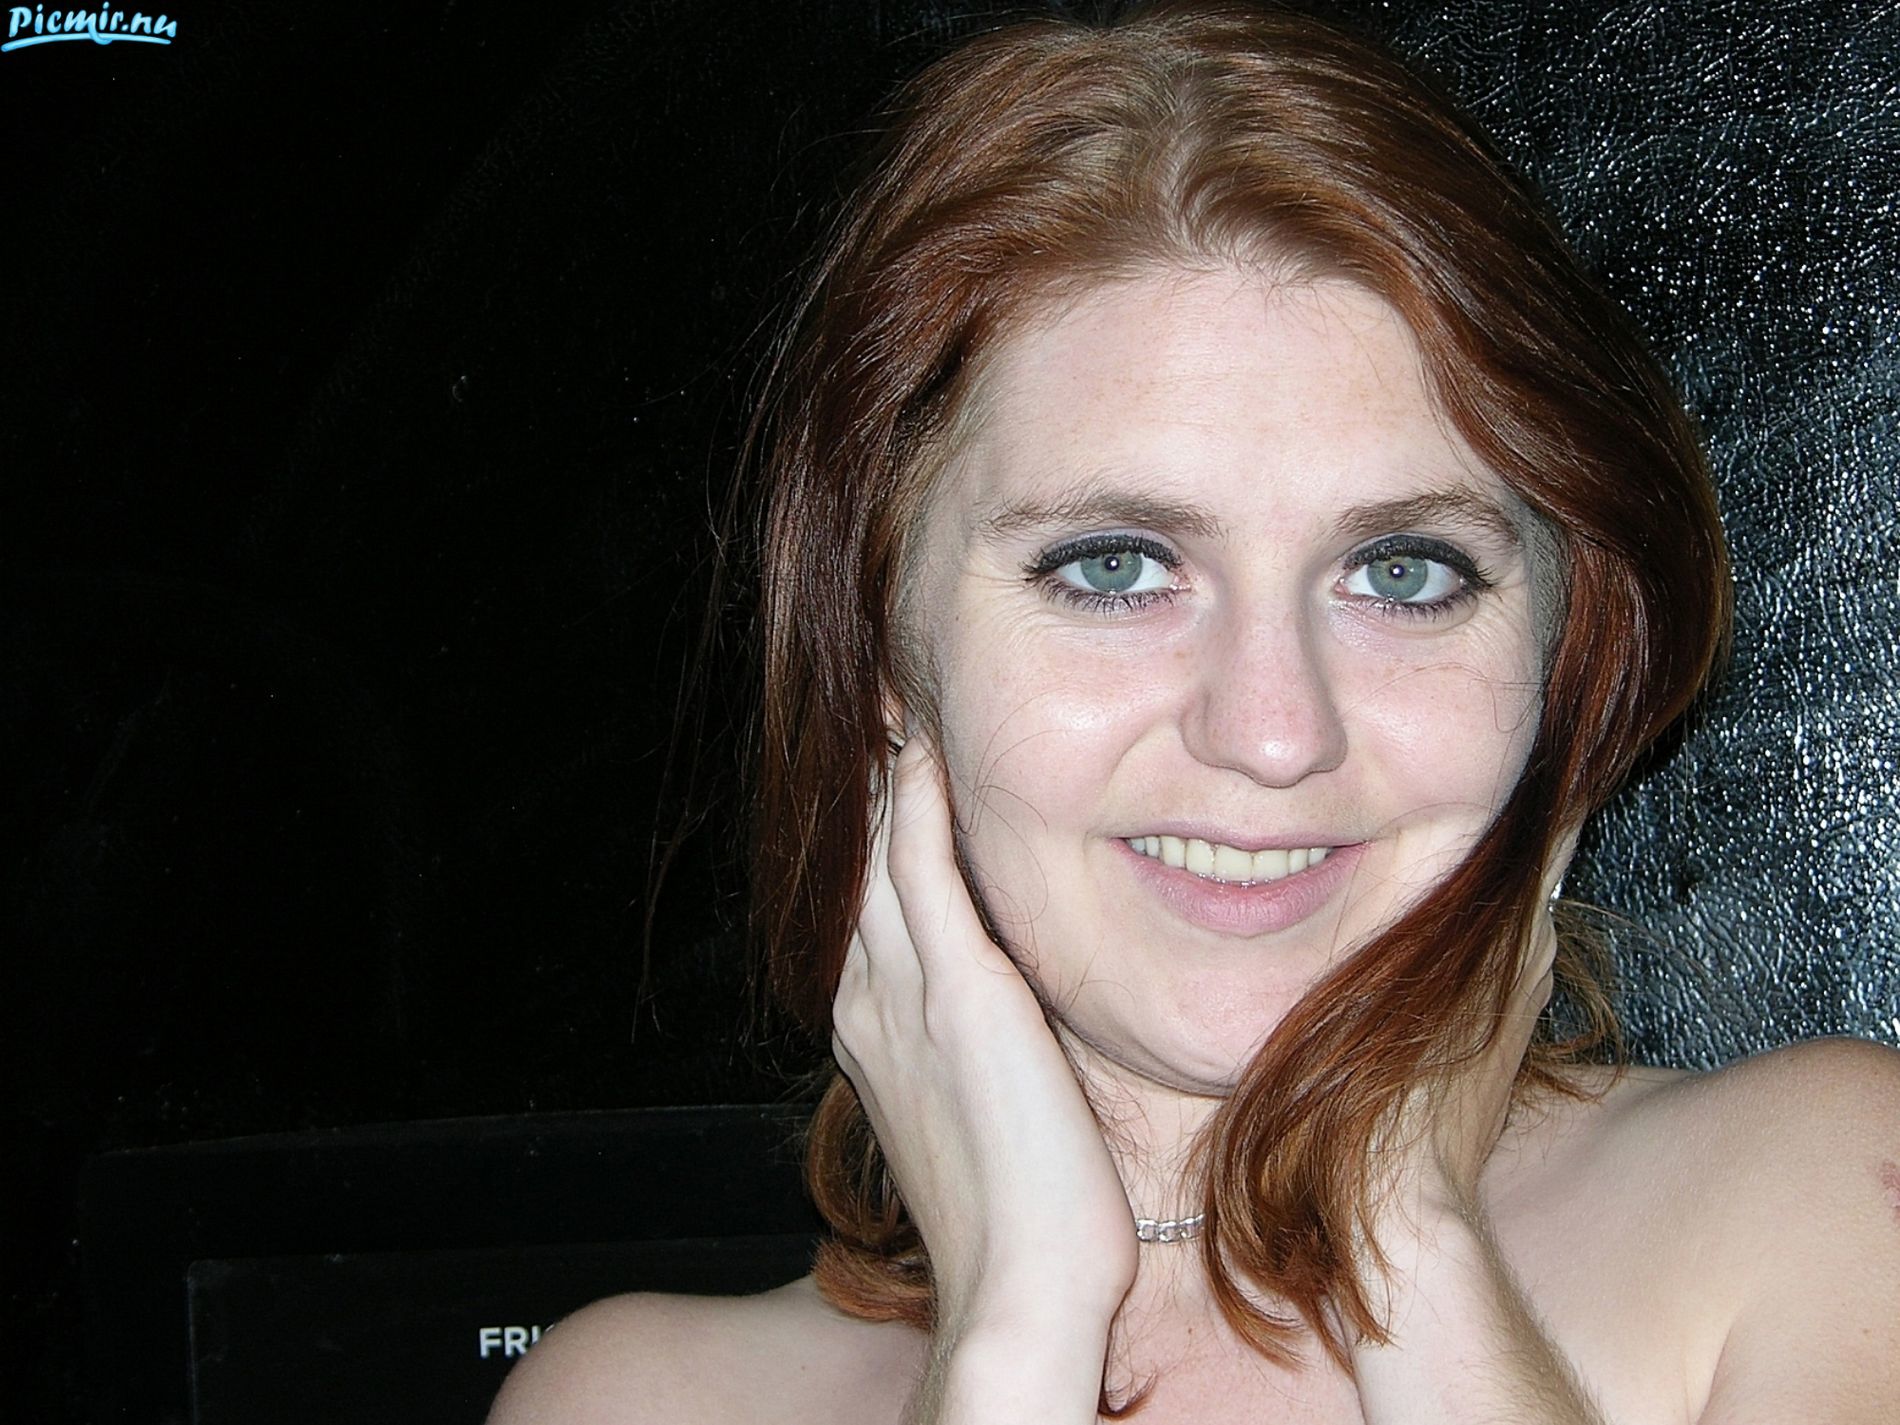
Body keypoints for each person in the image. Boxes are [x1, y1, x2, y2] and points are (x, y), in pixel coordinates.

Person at [489, 3, 1900, 1420]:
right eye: (1115, 567)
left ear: (1568, 645)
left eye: (1402, 571)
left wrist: (1412, 1250)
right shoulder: (639, 1401)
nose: (1275, 735)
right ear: (881, 653)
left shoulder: (1824, 1209)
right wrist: (1014, 1332)